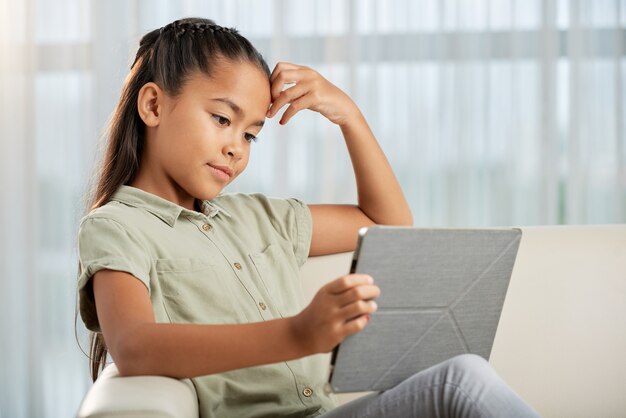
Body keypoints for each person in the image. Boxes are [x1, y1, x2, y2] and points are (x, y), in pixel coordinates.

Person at [76, 17, 540, 418]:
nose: (236, 147)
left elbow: (387, 223)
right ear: (153, 105)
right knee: (461, 382)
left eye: (251, 135)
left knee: (459, 376)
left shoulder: (258, 217)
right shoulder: (117, 227)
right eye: (222, 119)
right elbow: (135, 346)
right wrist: (298, 334)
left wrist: (349, 118)